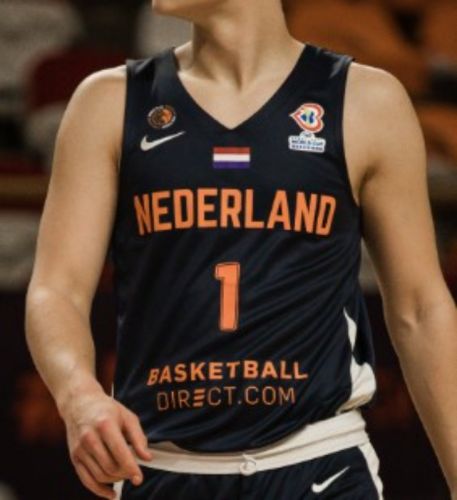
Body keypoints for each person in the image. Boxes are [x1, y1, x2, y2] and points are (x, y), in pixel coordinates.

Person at [24, 0, 457, 499]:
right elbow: (57, 289)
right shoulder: (108, 101)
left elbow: (420, 309)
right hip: (161, 466)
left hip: (319, 463)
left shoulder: (366, 100)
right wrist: (78, 395)